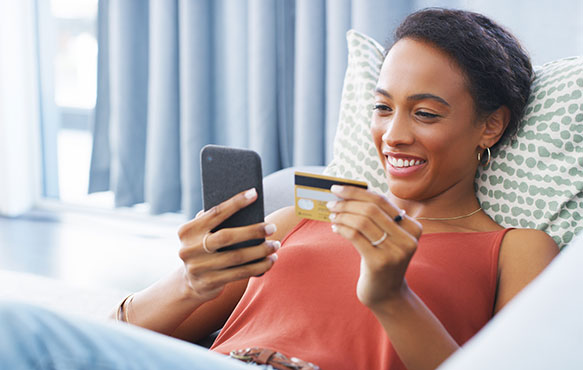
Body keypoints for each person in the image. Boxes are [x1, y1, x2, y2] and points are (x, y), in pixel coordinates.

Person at [0, 8, 559, 370]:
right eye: (383, 107)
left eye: (427, 113)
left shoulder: (517, 247)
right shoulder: (304, 215)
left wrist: (393, 296)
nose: (393, 134)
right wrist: (190, 283)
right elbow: (122, 334)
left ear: (491, 125)